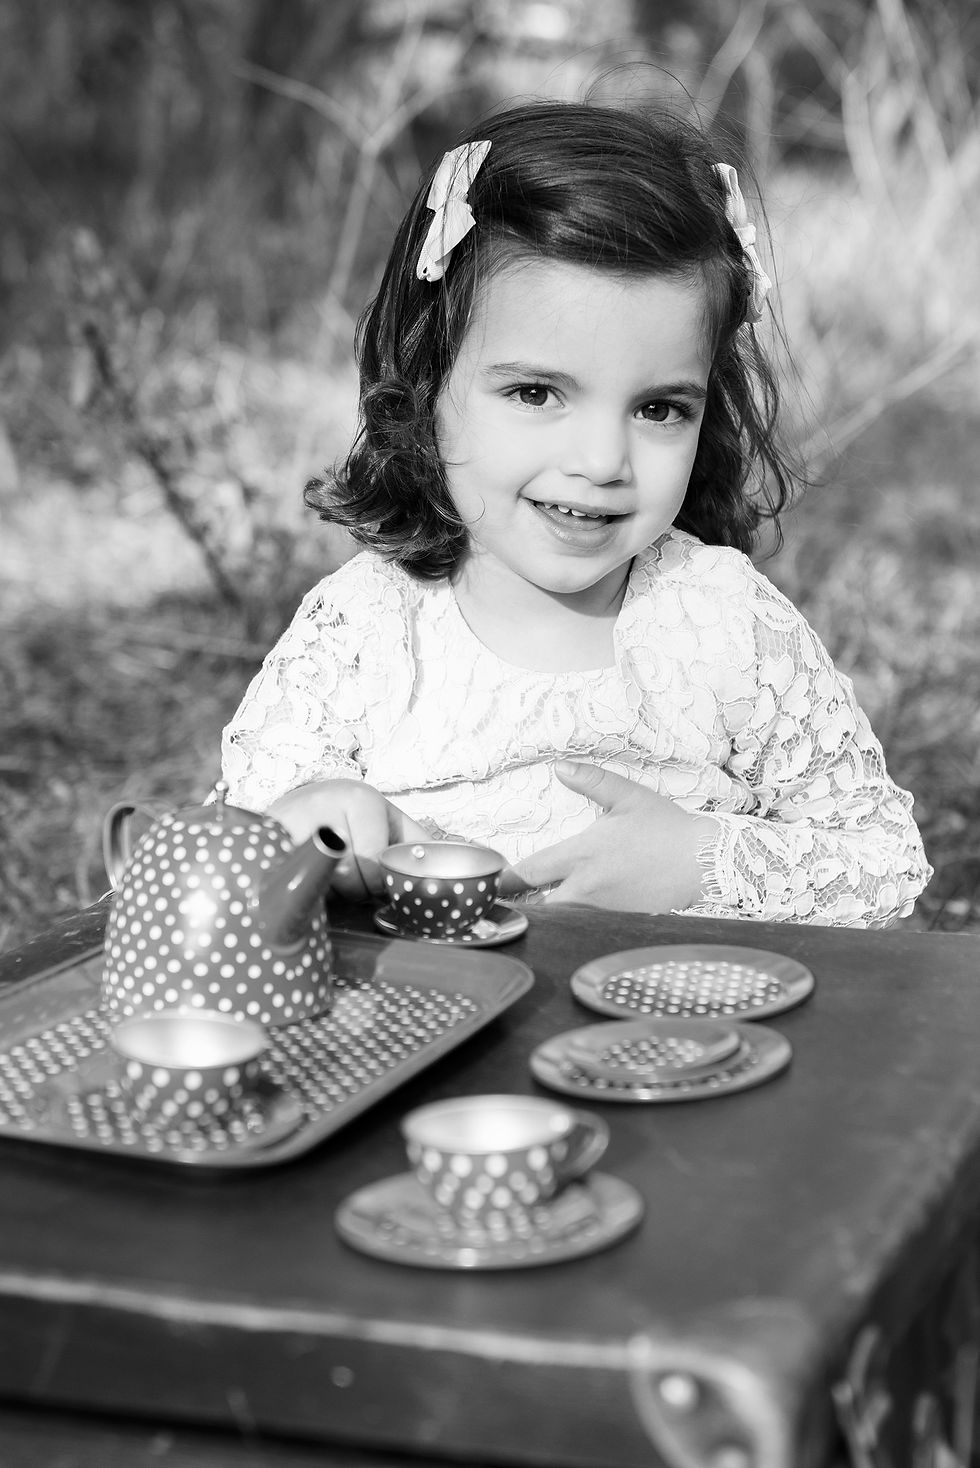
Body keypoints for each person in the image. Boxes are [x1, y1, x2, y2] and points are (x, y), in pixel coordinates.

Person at [220, 100, 931, 926]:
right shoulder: (366, 631)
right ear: (426, 385)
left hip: (670, 1005)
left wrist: (698, 861)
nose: (601, 462)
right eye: (536, 393)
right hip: (436, 1003)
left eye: (659, 409)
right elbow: (231, 863)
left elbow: (883, 865)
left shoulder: (725, 624)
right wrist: (316, 821)